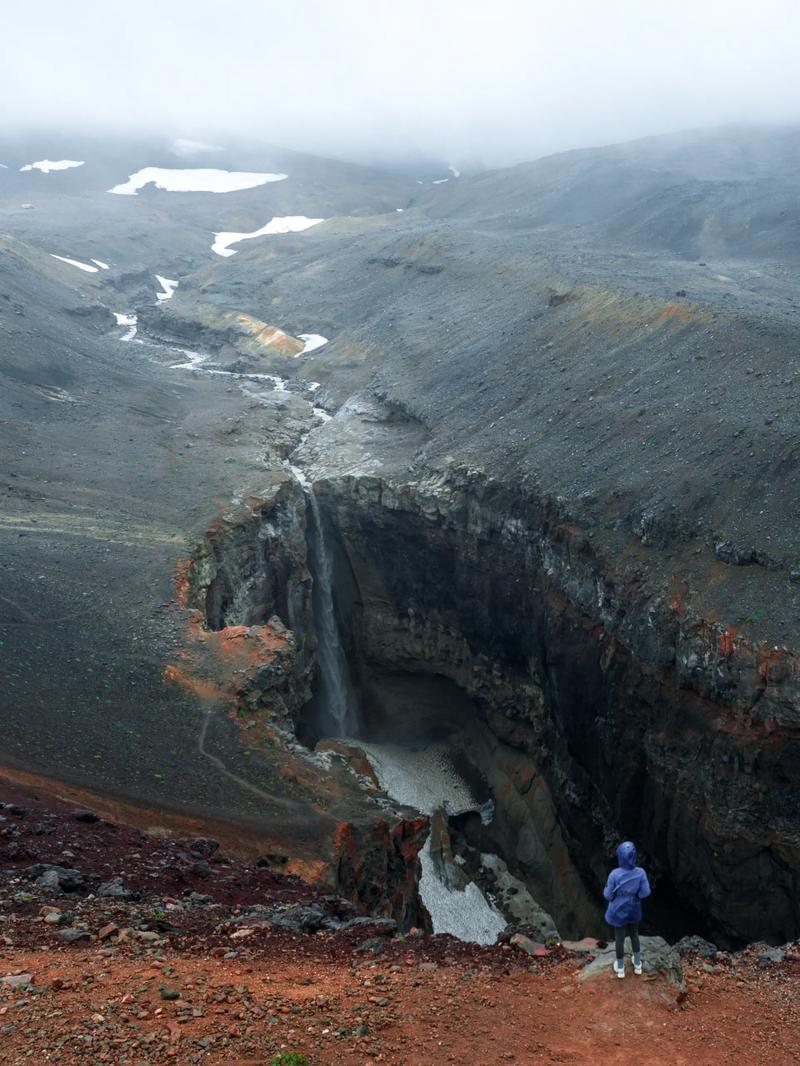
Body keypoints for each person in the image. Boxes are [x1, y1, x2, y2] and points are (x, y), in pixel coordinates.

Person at [603, 840, 651, 978]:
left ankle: (620, 968)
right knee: (634, 934)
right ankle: (637, 965)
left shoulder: (614, 874)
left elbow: (607, 895)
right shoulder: (641, 873)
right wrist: (635, 894)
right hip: (634, 909)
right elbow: (645, 893)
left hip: (618, 911)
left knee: (619, 938)